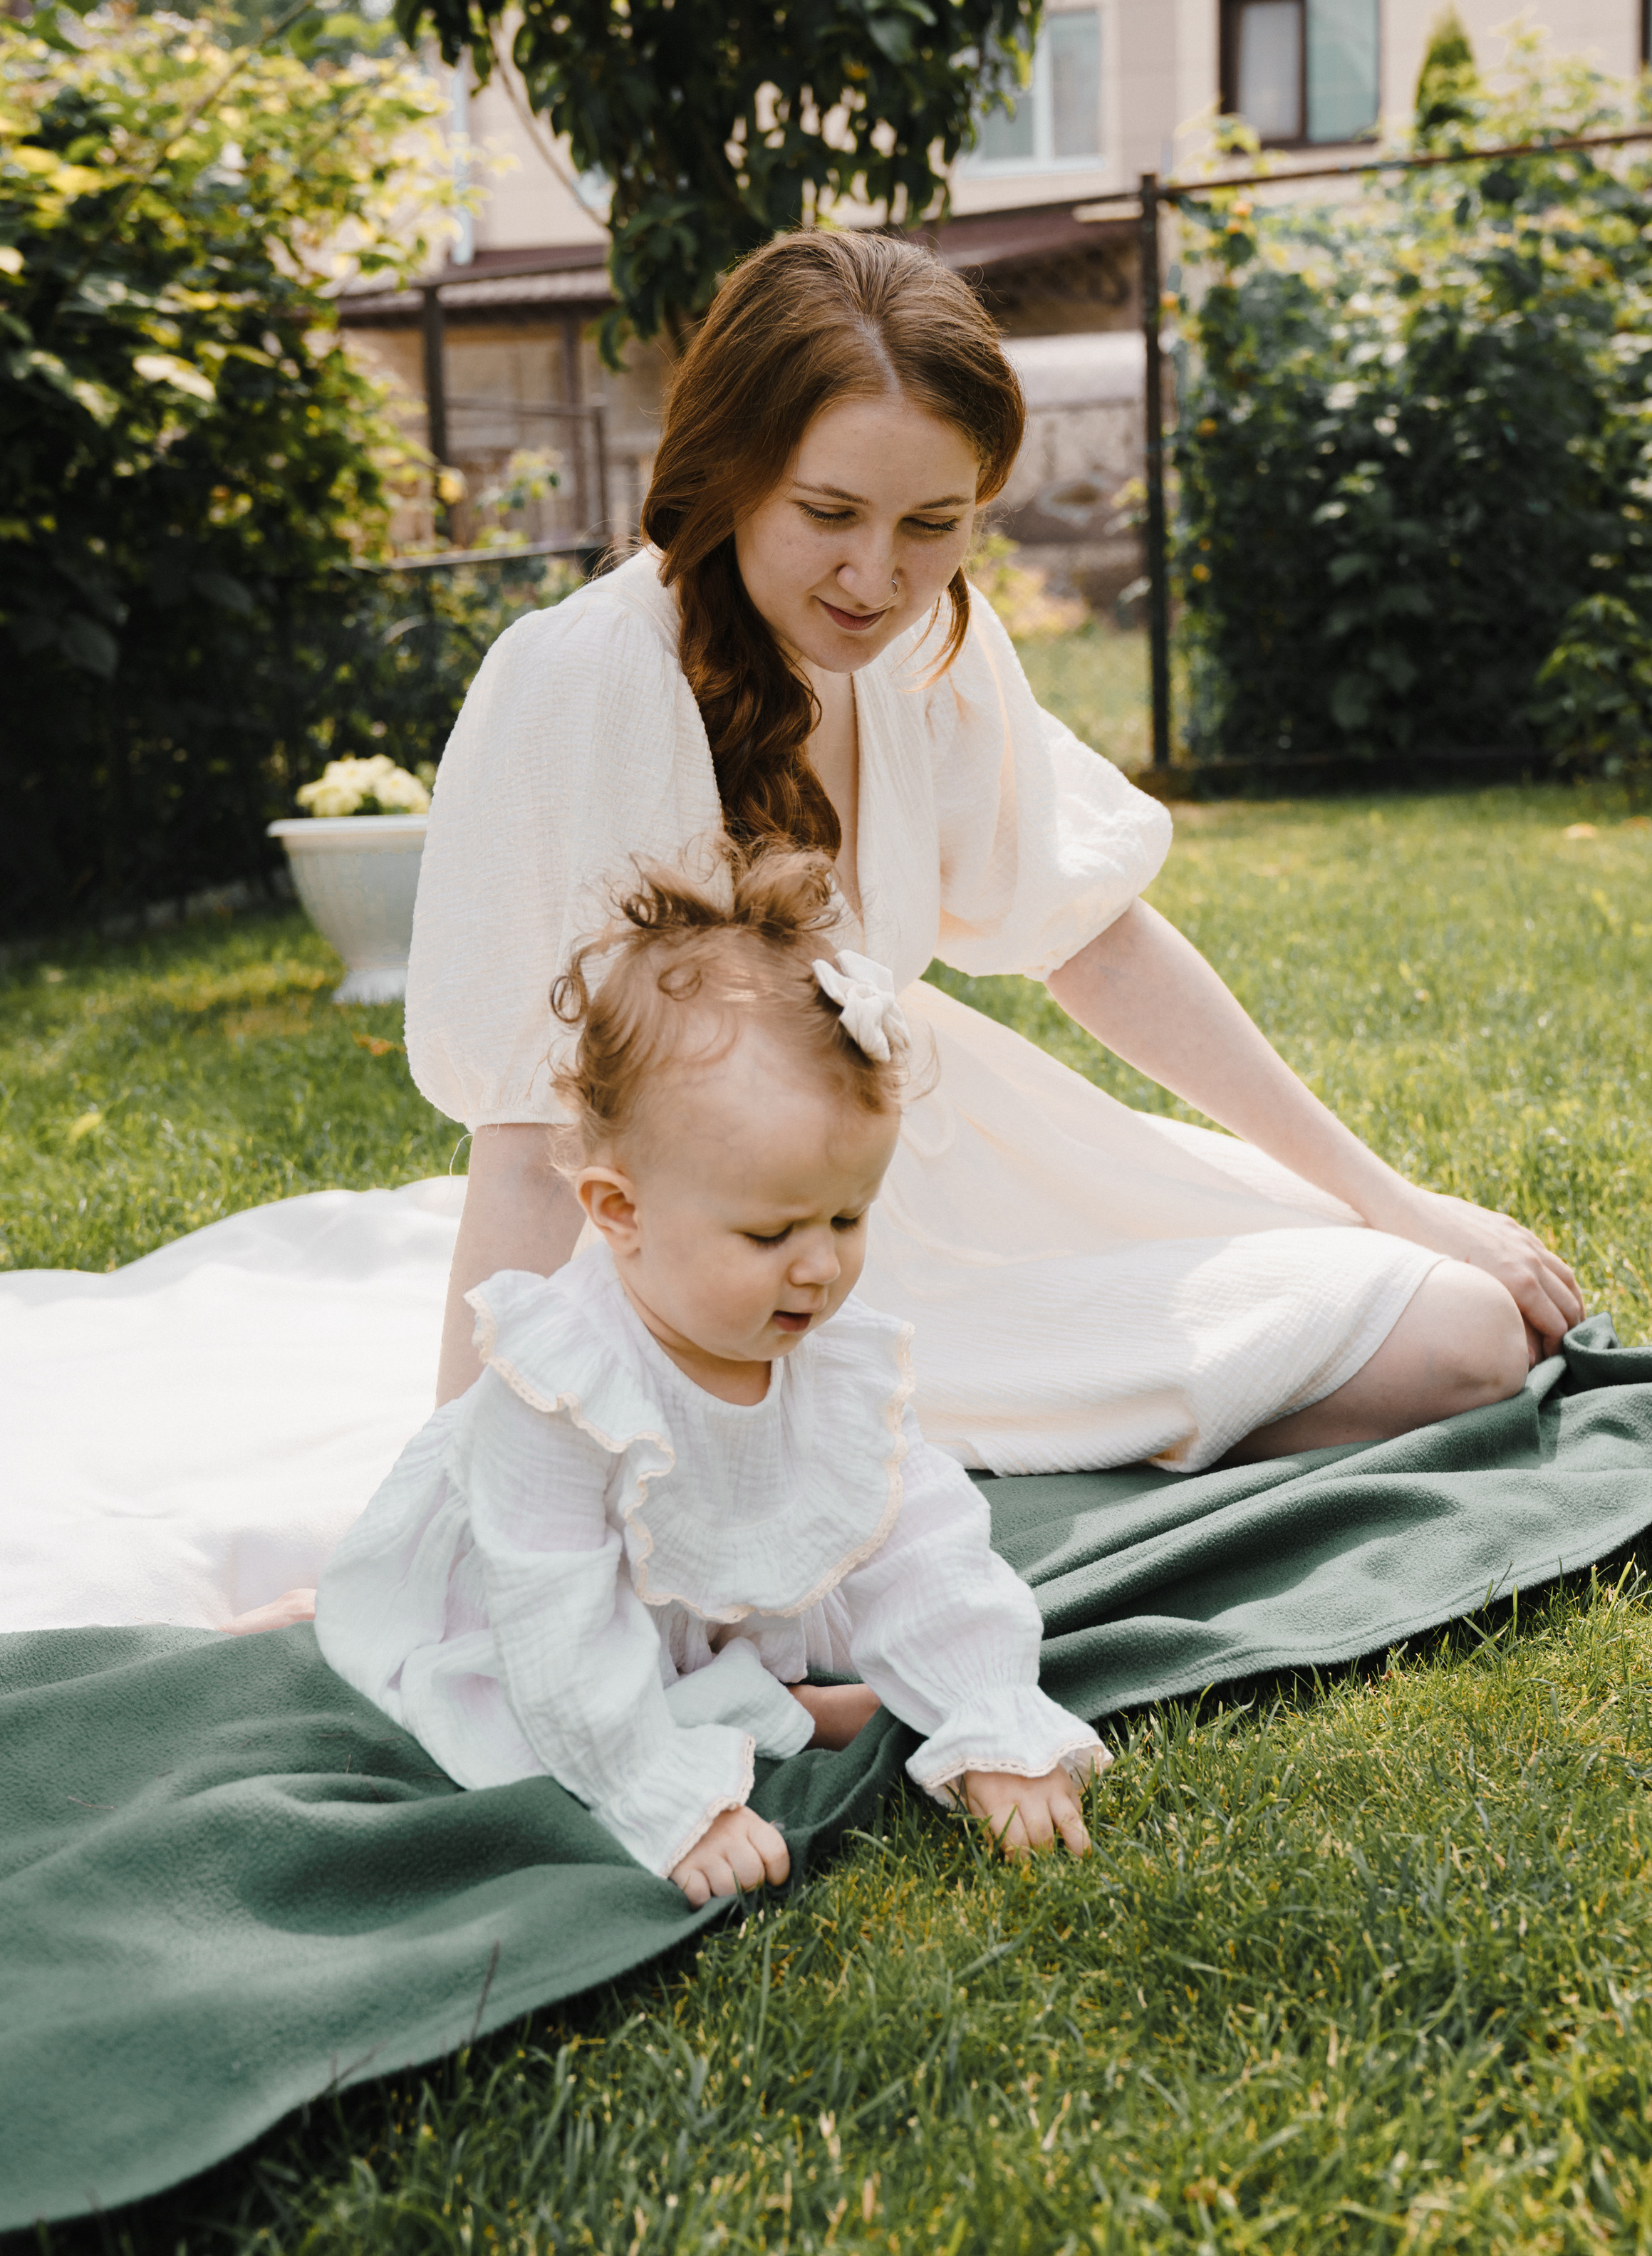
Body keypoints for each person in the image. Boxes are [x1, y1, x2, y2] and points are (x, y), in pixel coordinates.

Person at [409, 229, 1581, 1490]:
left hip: (940, 1175)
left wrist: (1391, 1196)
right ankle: (898, 1444)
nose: (879, 575)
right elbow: (534, 1140)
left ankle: (1030, 1432)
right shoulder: (590, 676)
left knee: (1467, 1321)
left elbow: (1093, 930)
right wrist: (465, 1488)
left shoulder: (928, 653)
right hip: (738, 1268)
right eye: (829, 513)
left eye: (934, 523)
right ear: (727, 472)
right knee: (1454, 1349)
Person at [315, 847, 1106, 1899]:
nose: (821, 1265)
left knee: (840, 1555)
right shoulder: (560, 1388)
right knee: (501, 1717)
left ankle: (751, 1688)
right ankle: (759, 1716)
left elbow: (914, 1533)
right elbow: (558, 1628)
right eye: (772, 1230)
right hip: (529, 1610)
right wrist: (666, 1800)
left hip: (702, 1581)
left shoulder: (822, 1331)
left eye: (847, 1215)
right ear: (620, 1213)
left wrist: (991, 1714)